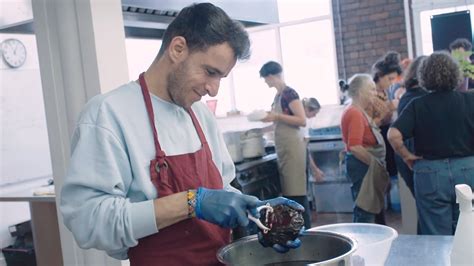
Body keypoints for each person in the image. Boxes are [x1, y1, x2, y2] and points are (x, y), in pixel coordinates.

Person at [60, 3, 303, 265]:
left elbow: (220, 189)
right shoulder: (108, 114)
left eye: (221, 77)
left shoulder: (200, 115)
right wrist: (191, 202)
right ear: (177, 49)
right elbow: (88, 221)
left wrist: (256, 215)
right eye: (210, 72)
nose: (213, 90)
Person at [388, 51, 474, 235]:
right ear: (455, 74)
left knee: (436, 236)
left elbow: (393, 135)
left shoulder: (417, 105)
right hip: (468, 171)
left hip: (430, 173)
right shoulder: (470, 100)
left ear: (423, 77)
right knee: (468, 231)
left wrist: (406, 156)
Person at [259, 61, 312, 229]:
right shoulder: (278, 96)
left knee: (297, 194)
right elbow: (280, 121)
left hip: (294, 150)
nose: (266, 82)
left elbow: (301, 120)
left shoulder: (290, 93)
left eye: (266, 79)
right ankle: (298, 229)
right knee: (291, 194)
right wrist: (258, 131)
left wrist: (276, 117)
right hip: (286, 151)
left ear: (272, 76)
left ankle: (306, 230)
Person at [340, 74, 390, 223]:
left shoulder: (358, 111)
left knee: (371, 209)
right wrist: (376, 165)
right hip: (362, 167)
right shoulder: (354, 113)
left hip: (364, 167)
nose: (375, 94)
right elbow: (354, 147)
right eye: (372, 90)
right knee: (365, 211)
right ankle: (364, 243)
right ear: (361, 92)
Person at [371, 51, 403, 224]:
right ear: (380, 76)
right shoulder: (370, 94)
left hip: (385, 138)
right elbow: (369, 124)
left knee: (387, 181)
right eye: (389, 79)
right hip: (375, 140)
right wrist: (387, 109)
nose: (391, 83)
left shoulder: (384, 93)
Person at [393, 56, 428, 197]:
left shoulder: (408, 95)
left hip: (409, 156)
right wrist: (407, 155)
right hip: (414, 157)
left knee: (425, 207)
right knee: (427, 207)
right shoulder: (417, 97)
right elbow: (393, 134)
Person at [302, 97, 324, 182]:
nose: (314, 116)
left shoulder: (304, 122)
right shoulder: (301, 124)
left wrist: (315, 170)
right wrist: (315, 170)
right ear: (307, 109)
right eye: (314, 113)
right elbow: (305, 150)